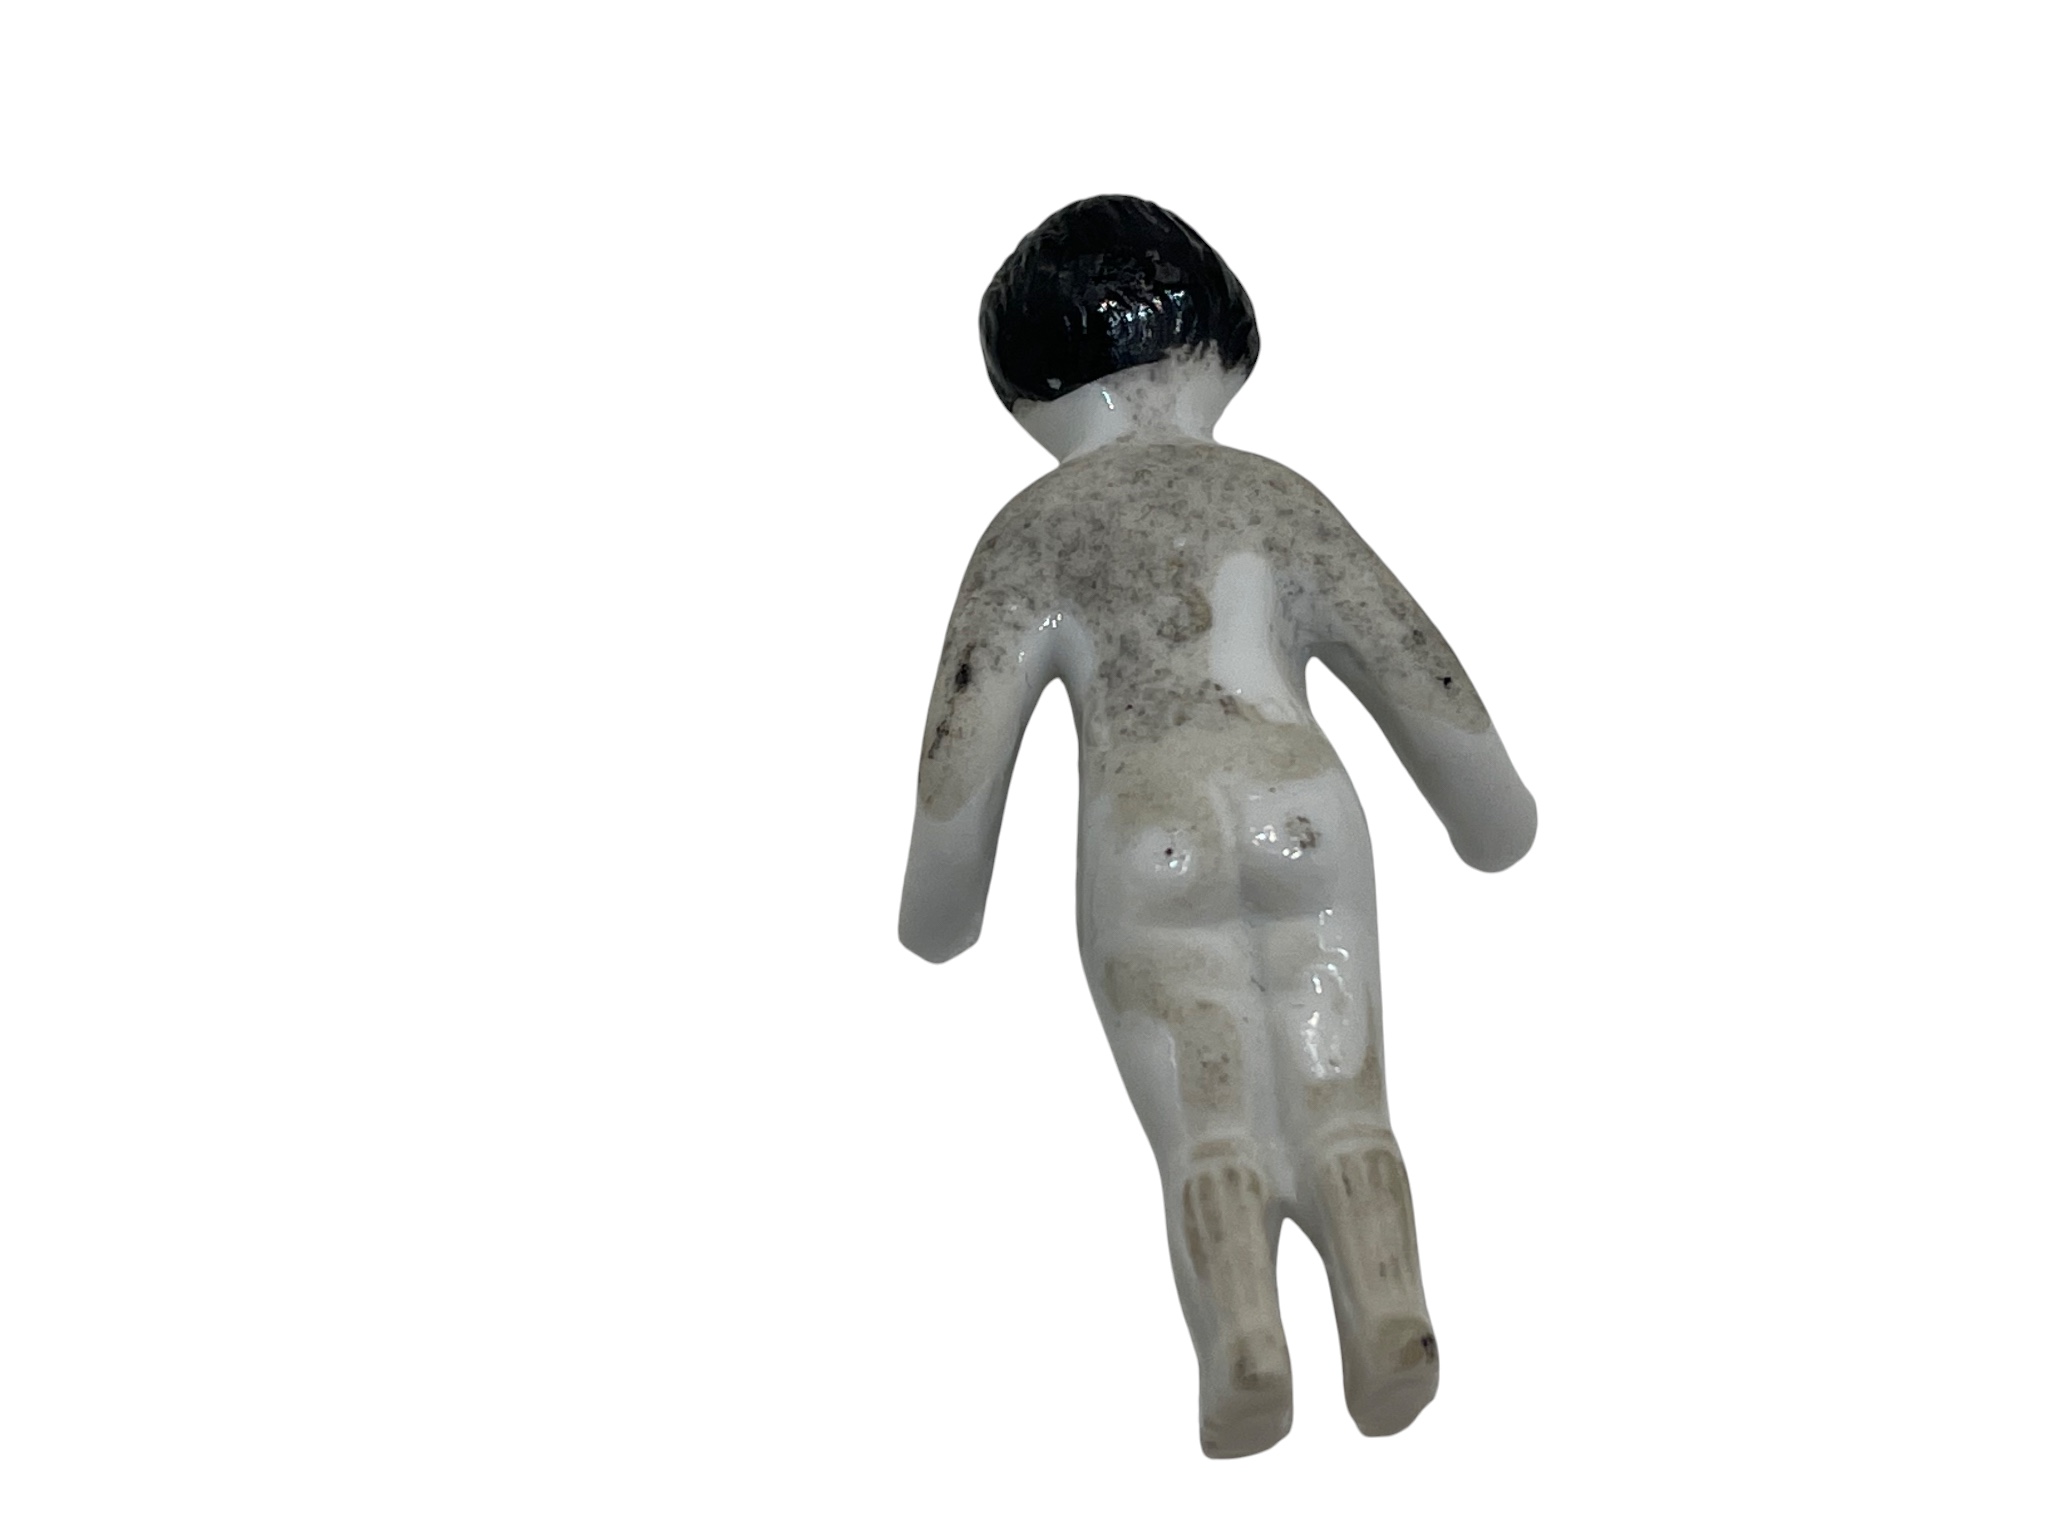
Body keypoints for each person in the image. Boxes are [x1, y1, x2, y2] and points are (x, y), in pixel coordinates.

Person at [899, 195, 1537, 1457]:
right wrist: (1493, 820)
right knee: (1337, 1083)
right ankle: (1387, 1308)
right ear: (1224, 340)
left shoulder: (1031, 532)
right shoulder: (1270, 498)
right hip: (1301, 804)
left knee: (1209, 1117)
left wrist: (938, 915)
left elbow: (959, 751)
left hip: (1150, 834)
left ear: (1023, 386)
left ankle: (1244, 1341)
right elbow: (1414, 662)